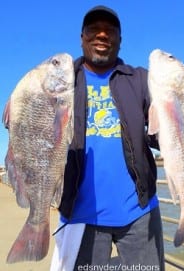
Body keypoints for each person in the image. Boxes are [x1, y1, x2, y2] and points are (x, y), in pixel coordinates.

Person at [52, 5, 165, 271]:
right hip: (81, 218)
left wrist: (177, 116)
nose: (102, 35)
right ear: (82, 37)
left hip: (140, 213)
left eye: (109, 31)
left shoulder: (141, 80)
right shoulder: (62, 80)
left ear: (119, 40)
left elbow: (162, 138)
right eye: (93, 30)